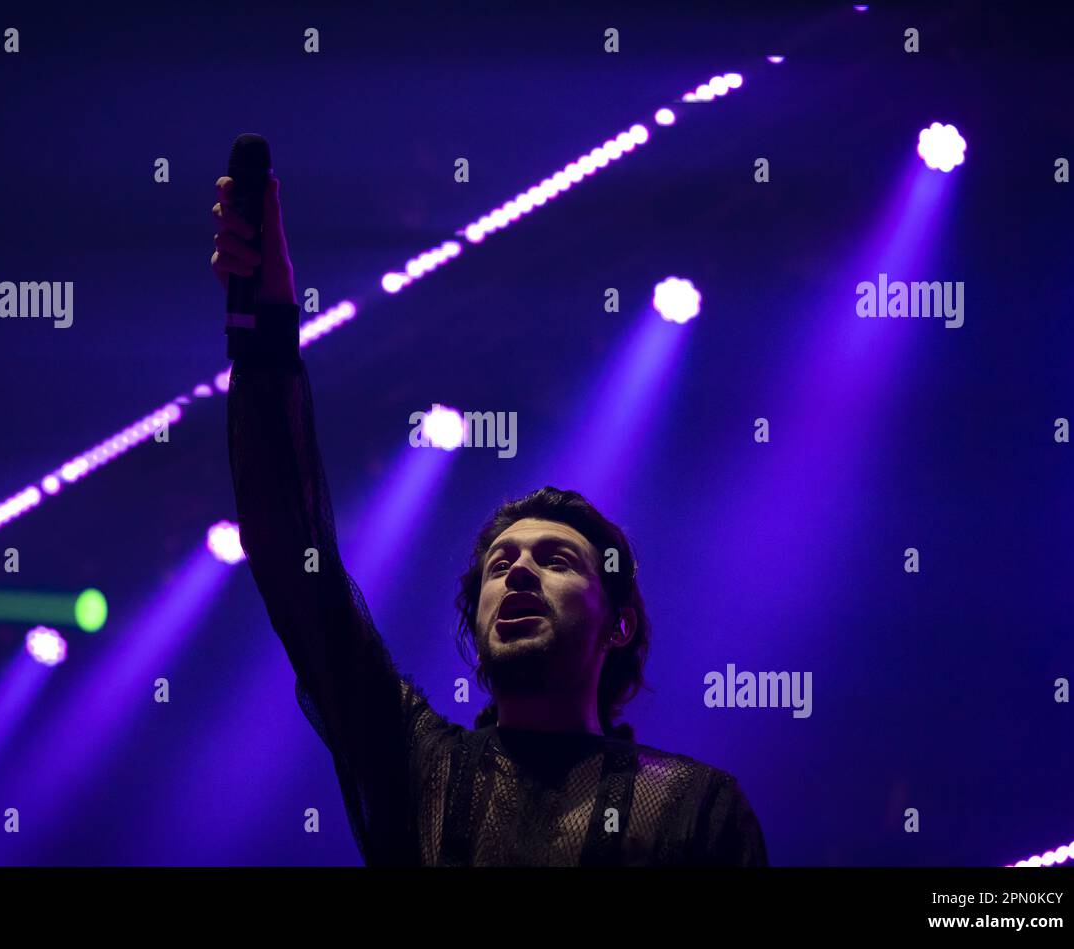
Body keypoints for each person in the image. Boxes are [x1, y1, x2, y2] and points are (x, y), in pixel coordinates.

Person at [211, 173, 768, 866]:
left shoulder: (697, 806)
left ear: (620, 624)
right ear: (475, 627)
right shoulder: (419, 766)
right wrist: (266, 327)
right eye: (500, 567)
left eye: (555, 560)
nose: (520, 572)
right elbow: (294, 558)